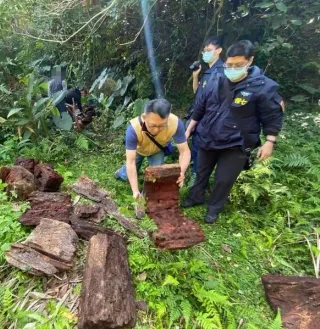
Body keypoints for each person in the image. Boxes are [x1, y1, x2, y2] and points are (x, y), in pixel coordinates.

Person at [182, 40, 284, 224]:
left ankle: (213, 209)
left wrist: (270, 141)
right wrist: (190, 127)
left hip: (237, 141)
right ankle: (195, 197)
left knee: (224, 179)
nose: (232, 68)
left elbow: (272, 115)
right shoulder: (216, 77)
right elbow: (201, 104)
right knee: (201, 171)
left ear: (250, 61)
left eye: (238, 65)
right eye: (229, 64)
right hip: (208, 134)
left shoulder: (263, 86)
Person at [115, 99, 191, 202]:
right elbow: (131, 161)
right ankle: (121, 173)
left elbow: (185, 152)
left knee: (156, 177)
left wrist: (181, 172)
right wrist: (135, 190)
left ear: (168, 118)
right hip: (138, 150)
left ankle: (144, 199)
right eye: (152, 125)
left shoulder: (176, 123)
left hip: (156, 150)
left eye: (162, 126)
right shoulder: (133, 129)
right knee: (128, 174)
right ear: (144, 117)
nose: (156, 130)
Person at [186, 36, 225, 177]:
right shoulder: (208, 72)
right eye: (204, 50)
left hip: (207, 122)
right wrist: (196, 76)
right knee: (195, 150)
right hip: (197, 117)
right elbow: (198, 93)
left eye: (209, 50)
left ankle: (196, 183)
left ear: (219, 50)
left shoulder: (221, 73)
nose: (205, 53)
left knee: (200, 153)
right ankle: (194, 179)